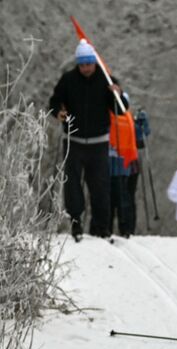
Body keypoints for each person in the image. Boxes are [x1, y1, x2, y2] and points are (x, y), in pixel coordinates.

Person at [48, 39, 117, 240]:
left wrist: (118, 94)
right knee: (72, 185)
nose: (86, 68)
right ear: (77, 64)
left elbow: (121, 108)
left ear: (95, 63)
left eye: (89, 64)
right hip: (73, 141)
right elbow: (54, 102)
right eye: (82, 64)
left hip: (99, 142)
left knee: (100, 186)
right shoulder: (68, 79)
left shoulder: (106, 79)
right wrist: (58, 112)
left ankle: (101, 226)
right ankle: (76, 223)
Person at [105, 78, 141, 237]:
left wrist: (142, 126)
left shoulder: (126, 111)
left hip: (129, 162)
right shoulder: (104, 110)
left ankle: (127, 229)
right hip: (110, 160)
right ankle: (105, 228)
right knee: (110, 197)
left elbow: (138, 138)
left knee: (126, 197)